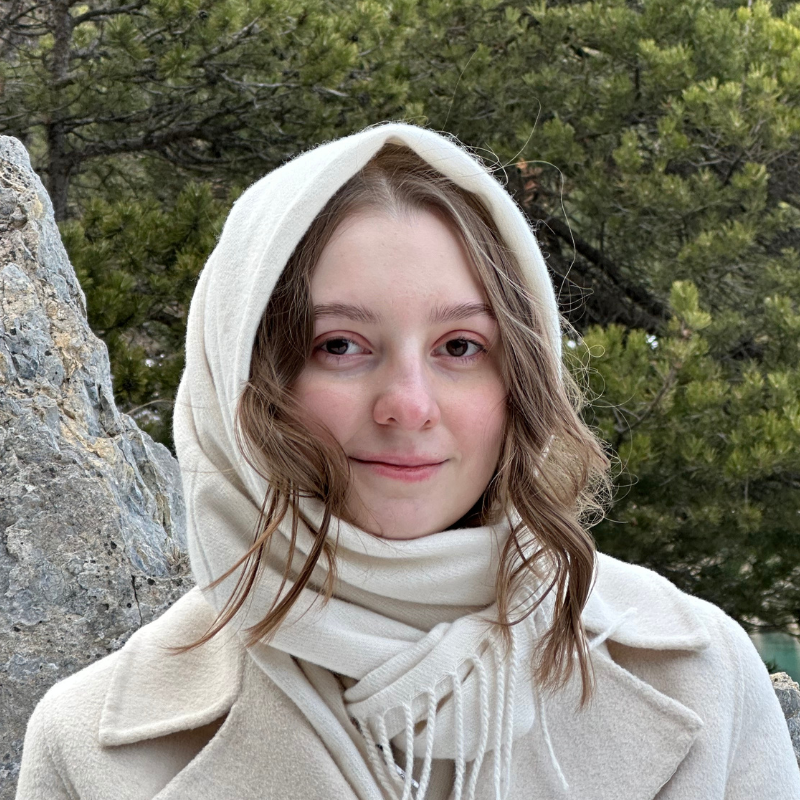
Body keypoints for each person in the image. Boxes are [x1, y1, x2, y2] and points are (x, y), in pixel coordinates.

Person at [15, 123, 800, 800]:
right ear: (244, 380)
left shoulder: (702, 673)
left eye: (461, 347)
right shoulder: (93, 749)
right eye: (340, 347)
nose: (409, 404)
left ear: (521, 378)